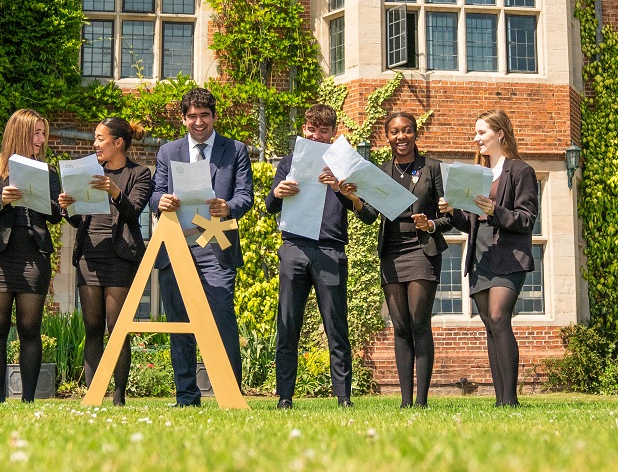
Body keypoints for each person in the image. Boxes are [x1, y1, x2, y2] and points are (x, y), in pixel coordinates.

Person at [266, 104, 378, 409]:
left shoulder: (346, 166)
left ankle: (343, 397)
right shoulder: (289, 162)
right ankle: (284, 397)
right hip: (294, 248)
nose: (316, 135)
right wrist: (278, 193)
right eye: (312, 129)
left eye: (324, 131)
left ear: (333, 133)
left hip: (331, 250)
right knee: (288, 325)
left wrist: (346, 192)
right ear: (304, 129)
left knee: (336, 327)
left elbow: (369, 215)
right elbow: (269, 205)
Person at [150, 87, 254, 407]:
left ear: (214, 116)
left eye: (204, 115)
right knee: (180, 323)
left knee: (222, 319)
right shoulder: (168, 151)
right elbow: (154, 194)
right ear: (183, 119)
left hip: (215, 245)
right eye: (192, 116)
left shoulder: (235, 150)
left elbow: (245, 196)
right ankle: (186, 397)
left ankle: (229, 394)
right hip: (176, 245)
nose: (198, 122)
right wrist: (161, 201)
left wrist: (228, 207)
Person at [438, 108, 538, 408]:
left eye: (482, 132)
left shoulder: (520, 171)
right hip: (479, 256)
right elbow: (468, 222)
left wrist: (495, 211)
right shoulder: (476, 174)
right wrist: (452, 211)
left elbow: (526, 219)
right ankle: (500, 401)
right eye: (476, 133)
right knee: (490, 326)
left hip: (508, 256)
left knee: (498, 317)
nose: (476, 138)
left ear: (500, 133)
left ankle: (511, 400)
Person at [58, 117, 152, 406]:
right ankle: (93, 395)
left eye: (100, 139)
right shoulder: (88, 172)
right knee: (93, 328)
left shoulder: (139, 173)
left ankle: (119, 397)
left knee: (117, 327)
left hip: (120, 257)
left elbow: (133, 211)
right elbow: (78, 220)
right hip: (89, 255)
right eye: (95, 139)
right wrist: (68, 207)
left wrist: (114, 192)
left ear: (118, 142)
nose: (95, 144)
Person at [0, 109, 61, 403]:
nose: (41, 139)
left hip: (34, 253)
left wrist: (49, 201)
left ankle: (28, 400)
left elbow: (55, 216)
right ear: (20, 133)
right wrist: (1, 200)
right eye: (36, 133)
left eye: (43, 133)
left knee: (29, 327)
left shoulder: (48, 171)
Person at [378, 112, 452, 408]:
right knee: (400, 326)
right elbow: (369, 214)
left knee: (418, 322)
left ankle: (421, 402)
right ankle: (405, 402)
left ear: (415, 134)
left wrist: (431, 224)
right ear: (388, 137)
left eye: (407, 130)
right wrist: (353, 198)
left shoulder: (432, 168)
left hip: (422, 250)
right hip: (392, 251)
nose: (401, 136)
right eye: (395, 132)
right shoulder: (382, 172)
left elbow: (450, 216)